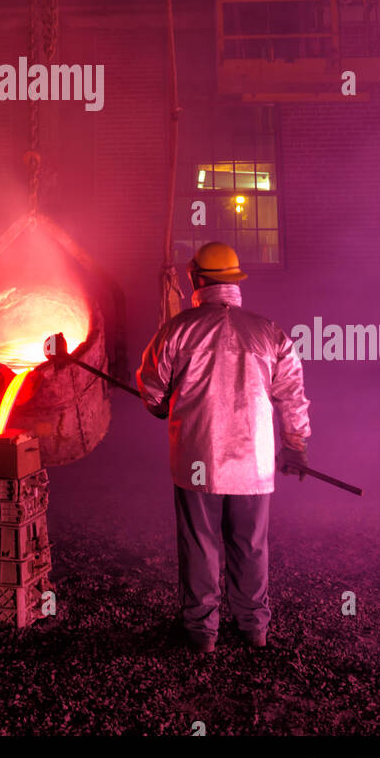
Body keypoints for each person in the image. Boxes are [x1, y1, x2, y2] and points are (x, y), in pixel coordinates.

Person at [137, 241, 311, 653]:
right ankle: (254, 628)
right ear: (234, 282)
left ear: (197, 280)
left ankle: (202, 633)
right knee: (249, 543)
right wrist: (295, 444)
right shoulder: (268, 331)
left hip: (199, 461)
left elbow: (152, 390)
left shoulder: (176, 331)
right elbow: (291, 393)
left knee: (201, 542)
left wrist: (164, 408)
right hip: (255, 464)